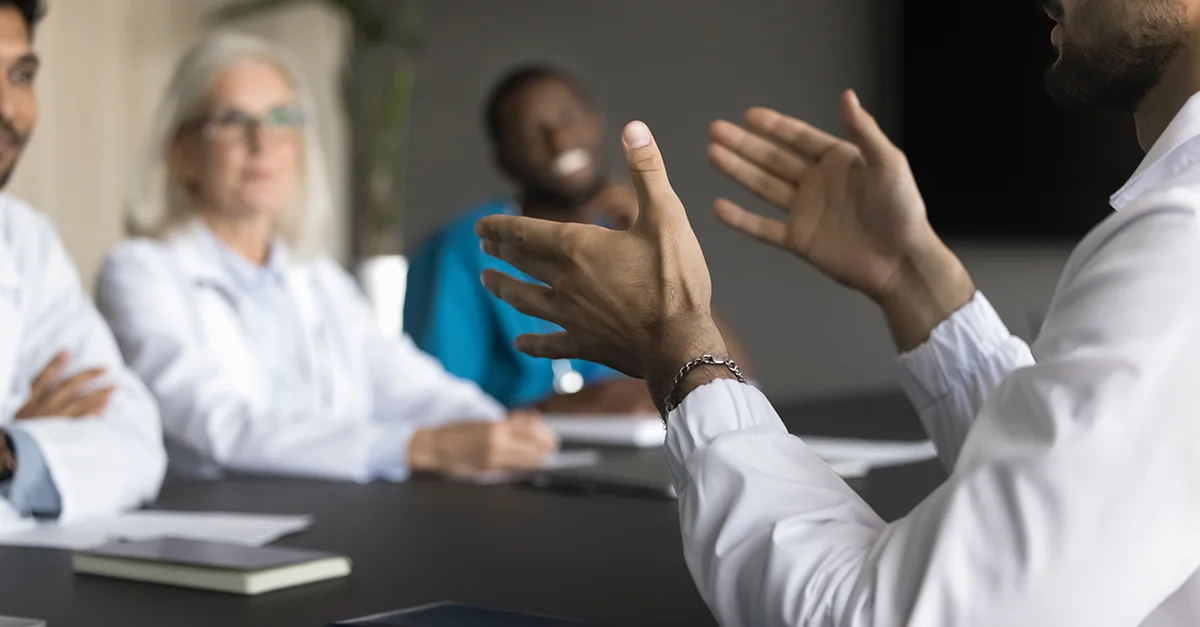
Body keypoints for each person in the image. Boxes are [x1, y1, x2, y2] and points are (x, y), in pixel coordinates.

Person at [472, 0, 1200, 623]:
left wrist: (678, 343)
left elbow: (883, 614)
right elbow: (1081, 498)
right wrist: (911, 278)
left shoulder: (1181, 243)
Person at [95, 33, 559, 483]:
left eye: (281, 117)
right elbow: (221, 426)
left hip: (341, 514)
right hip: (213, 525)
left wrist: (493, 428)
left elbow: (402, 380)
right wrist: (424, 446)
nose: (263, 142)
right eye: (233, 120)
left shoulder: (316, 278)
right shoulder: (140, 272)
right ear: (182, 155)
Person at [405, 65, 751, 413]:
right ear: (503, 160)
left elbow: (736, 384)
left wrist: (665, 253)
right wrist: (578, 406)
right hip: (531, 464)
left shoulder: (630, 230)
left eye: (567, 119)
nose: (560, 141)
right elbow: (436, 420)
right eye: (530, 134)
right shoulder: (461, 250)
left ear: (595, 122)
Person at [0, 0, 166, 526]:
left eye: (21, 74)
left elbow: (135, 438)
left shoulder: (24, 240)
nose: (8, 106)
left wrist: (10, 452)